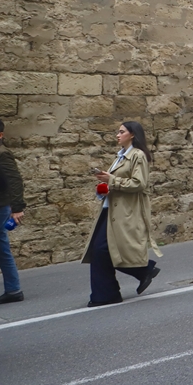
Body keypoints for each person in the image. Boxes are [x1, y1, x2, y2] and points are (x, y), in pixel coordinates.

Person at [82, 121, 162, 307]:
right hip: (110, 209)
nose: (117, 135)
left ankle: (107, 294)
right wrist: (103, 187)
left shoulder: (138, 156)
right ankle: (140, 273)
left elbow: (139, 183)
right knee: (101, 250)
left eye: (121, 132)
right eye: (117, 132)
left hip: (125, 211)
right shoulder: (119, 157)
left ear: (132, 134)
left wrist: (112, 180)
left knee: (102, 250)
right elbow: (116, 182)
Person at [0, 119, 26, 305]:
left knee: (2, 249)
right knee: (2, 249)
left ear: (0, 135)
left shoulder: (2, 153)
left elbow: (14, 180)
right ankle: (13, 290)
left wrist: (17, 208)